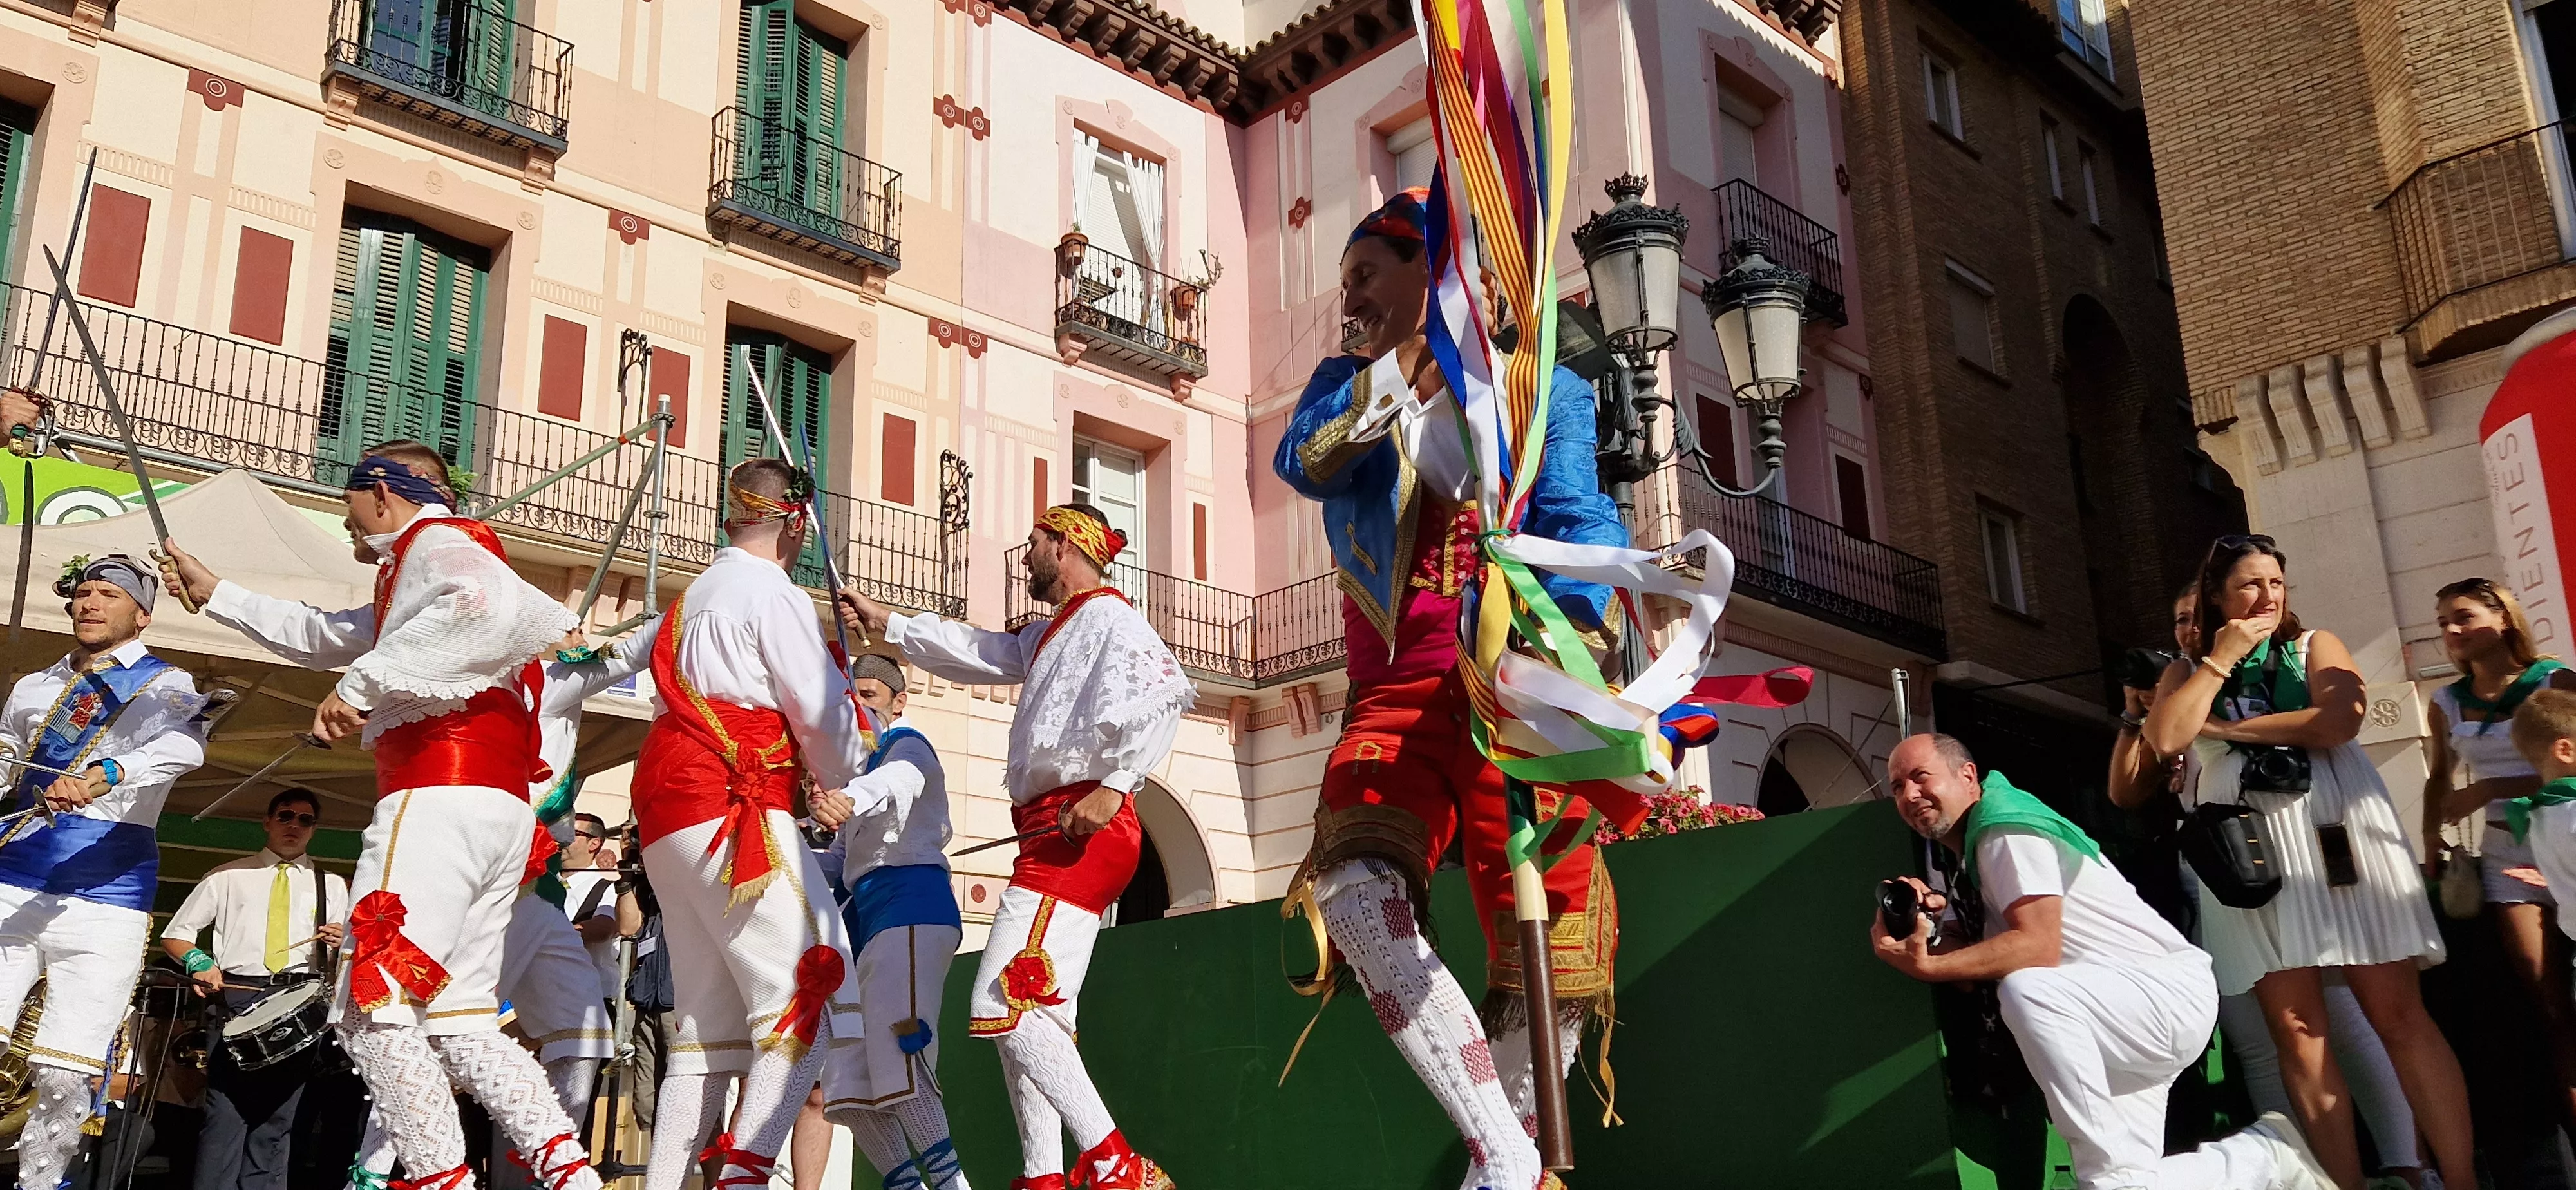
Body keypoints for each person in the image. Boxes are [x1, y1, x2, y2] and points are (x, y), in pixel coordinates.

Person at [1266, 187, 1629, 1190]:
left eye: (1365, 277)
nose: (1349, 300)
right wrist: (1391, 376)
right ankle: (1510, 1152)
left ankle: (1501, 1170)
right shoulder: (1345, 381)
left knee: (1546, 943)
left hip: (1516, 684)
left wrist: (1583, 628)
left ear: (1431, 269)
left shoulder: (1539, 385)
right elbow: (1300, 462)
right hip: (1398, 690)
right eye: (1347, 283)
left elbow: (1578, 513)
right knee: (1351, 886)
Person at [161, 442, 599, 1190]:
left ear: (385, 495)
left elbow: (479, 608)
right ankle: (572, 1178)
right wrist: (221, 594)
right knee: (459, 1019)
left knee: (369, 1003)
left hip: (436, 793)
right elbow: (329, 632)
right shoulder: (428, 567)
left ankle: (439, 1181)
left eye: (350, 504)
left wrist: (366, 686)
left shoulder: (437, 544)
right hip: (494, 812)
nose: (347, 522)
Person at [838, 502, 1191, 1190]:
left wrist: (1117, 786)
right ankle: (1042, 1177)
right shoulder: (1051, 633)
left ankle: (1117, 1164)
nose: (1024, 553)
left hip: (1080, 827)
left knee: (1003, 1003)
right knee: (1037, 1020)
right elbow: (980, 652)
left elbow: (1166, 690)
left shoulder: (1111, 618)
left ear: (1065, 547)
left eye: (1034, 542)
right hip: (1052, 831)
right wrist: (890, 623)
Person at [2141, 535, 2474, 1190]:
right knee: (2297, 1032)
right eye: (2250, 585)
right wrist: (2221, 661)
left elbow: (2336, 723)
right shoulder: (2186, 672)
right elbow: (2166, 738)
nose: (2267, 597)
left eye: (2276, 583)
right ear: (2216, 597)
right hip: (2252, 854)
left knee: (2397, 1015)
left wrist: (2228, 731)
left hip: (2336, 831)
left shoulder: (2312, 644)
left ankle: (2458, 1181)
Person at [1874, 733, 2334, 1190]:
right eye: (1897, 787)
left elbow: (2035, 948)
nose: (1910, 795)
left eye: (1920, 777)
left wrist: (1928, 967)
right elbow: (1980, 968)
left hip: (2153, 997)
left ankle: (2258, 1155)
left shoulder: (2004, 827)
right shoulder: (1970, 850)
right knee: (2123, 1186)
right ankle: (2265, 1156)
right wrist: (1928, 936)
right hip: (2109, 1017)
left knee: (2027, 989)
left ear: (1967, 776)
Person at [627, 458, 868, 1190]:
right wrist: (843, 774)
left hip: (666, 813)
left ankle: (664, 1183)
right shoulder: (773, 592)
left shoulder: (694, 594)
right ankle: (745, 1176)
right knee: (813, 991)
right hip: (730, 808)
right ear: (796, 523)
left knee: (706, 1030)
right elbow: (821, 711)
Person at [0, 555, 211, 1190]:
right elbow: (7, 758)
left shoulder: (166, 683)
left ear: (141, 614)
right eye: (83, 593)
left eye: (109, 594)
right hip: (13, 881)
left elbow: (185, 746)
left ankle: (41, 1184)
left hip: (107, 896)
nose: (90, 603)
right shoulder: (33, 687)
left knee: (66, 1070)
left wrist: (107, 774)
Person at [2421, 577, 2576, 1121]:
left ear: (2504, 619)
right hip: (2508, 860)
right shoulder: (2444, 701)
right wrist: (2431, 842)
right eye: (2443, 623)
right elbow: (2439, 777)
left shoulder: (2555, 680)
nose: (2451, 630)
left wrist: (2491, 788)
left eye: (2462, 617)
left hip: (2571, 845)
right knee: (2549, 1001)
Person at [820, 652, 969, 1189]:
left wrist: (845, 797)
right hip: (866, 920)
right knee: (847, 1082)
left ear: (898, 701)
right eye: (851, 697)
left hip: (910, 906)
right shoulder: (858, 769)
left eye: (870, 695)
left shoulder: (906, 745)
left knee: (900, 1056)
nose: (859, 706)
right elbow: (839, 862)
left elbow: (902, 780)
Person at [161, 789, 353, 1190]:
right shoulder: (227, 876)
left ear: (314, 830)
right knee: (224, 1114)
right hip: (237, 995)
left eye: (305, 820)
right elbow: (176, 936)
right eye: (286, 816)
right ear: (267, 821)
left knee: (279, 1119)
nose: (294, 826)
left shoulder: (332, 884)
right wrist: (201, 964)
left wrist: (343, 942)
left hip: (300, 1001)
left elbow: (346, 956)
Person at [562, 813, 624, 1005]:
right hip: (540, 998)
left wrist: (545, 936)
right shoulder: (542, 885)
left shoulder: (607, 887)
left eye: (570, 833)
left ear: (594, 844)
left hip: (587, 1001)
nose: (560, 839)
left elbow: (603, 929)